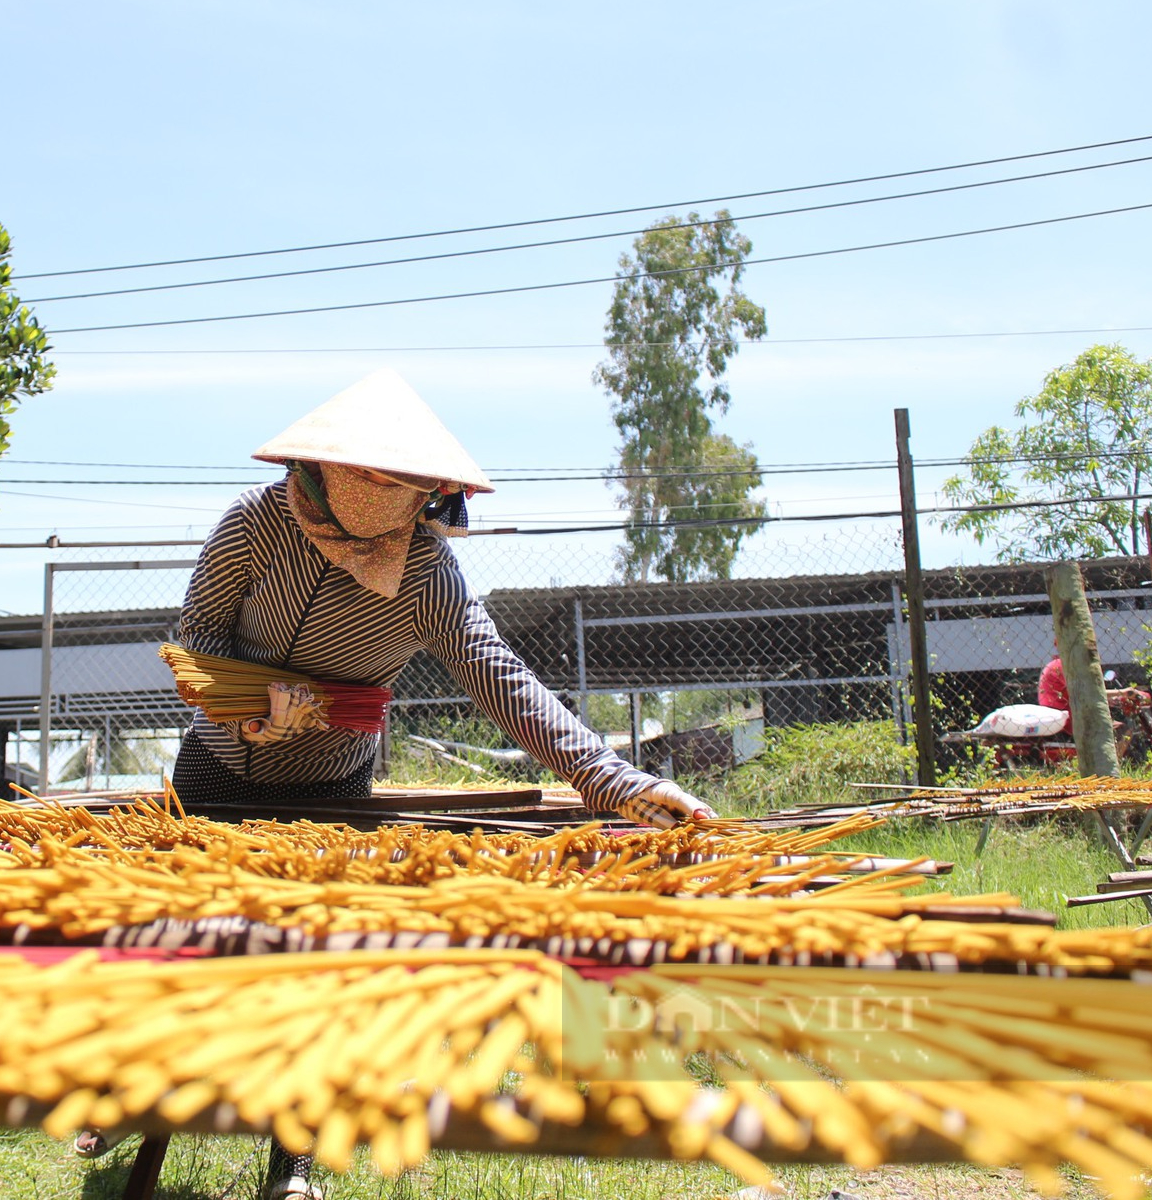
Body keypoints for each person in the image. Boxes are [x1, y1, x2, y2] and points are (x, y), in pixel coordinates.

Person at [74, 369, 715, 1198]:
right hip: (218, 772)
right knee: (183, 946)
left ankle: (291, 1165)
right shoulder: (252, 524)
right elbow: (193, 642)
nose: (391, 507)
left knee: (306, 963)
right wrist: (246, 710)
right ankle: (129, 1086)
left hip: (331, 787)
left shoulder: (424, 576)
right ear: (327, 471)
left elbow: (499, 676)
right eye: (374, 482)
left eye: (406, 493)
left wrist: (612, 780)